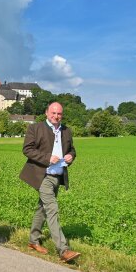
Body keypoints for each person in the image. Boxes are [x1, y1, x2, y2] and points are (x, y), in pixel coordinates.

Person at [19, 101, 81, 262]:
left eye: (59, 113)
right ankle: (63, 250)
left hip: (57, 176)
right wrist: (47, 158)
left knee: (43, 209)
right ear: (47, 113)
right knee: (52, 208)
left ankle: (33, 241)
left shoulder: (66, 131)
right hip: (42, 175)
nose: (56, 116)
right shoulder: (35, 128)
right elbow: (27, 149)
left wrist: (71, 156)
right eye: (53, 113)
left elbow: (72, 150)